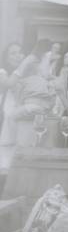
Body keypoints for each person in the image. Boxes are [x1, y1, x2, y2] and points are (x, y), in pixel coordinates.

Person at [0, 43, 25, 176]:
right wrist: (21, 69)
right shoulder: (2, 72)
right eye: (13, 53)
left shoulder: (27, 73)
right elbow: (7, 84)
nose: (17, 56)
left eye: (20, 52)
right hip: (6, 115)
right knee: (5, 151)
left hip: (23, 116)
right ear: (6, 57)